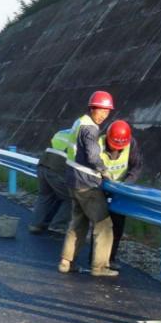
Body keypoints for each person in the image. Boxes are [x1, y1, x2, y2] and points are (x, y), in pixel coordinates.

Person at [58, 91, 119, 277]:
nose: (104, 115)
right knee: (104, 224)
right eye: (102, 110)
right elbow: (92, 157)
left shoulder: (79, 122)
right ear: (92, 108)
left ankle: (66, 262)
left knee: (78, 222)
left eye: (108, 111)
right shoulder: (91, 129)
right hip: (87, 183)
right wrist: (104, 171)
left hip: (72, 179)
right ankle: (99, 267)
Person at [88, 120, 143, 270]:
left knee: (117, 226)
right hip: (100, 187)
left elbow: (136, 167)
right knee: (100, 225)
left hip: (120, 189)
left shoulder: (131, 144)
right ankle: (96, 259)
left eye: (119, 147)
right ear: (108, 137)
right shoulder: (97, 143)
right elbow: (89, 165)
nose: (116, 150)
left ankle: (110, 259)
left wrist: (126, 184)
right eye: (113, 145)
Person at [29, 123, 77, 235]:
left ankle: (36, 225)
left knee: (45, 195)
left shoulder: (62, 132)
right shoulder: (81, 136)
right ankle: (57, 226)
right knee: (71, 198)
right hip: (58, 168)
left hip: (43, 163)